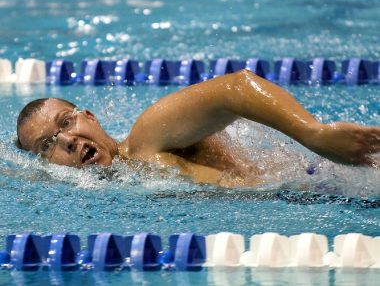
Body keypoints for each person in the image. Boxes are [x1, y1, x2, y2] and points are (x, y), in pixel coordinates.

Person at [16, 70, 380, 187]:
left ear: (90, 117)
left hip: (331, 182)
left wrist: (314, 135)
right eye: (46, 146)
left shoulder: (146, 138)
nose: (66, 140)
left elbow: (234, 88)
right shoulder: (130, 178)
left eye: (66, 123)